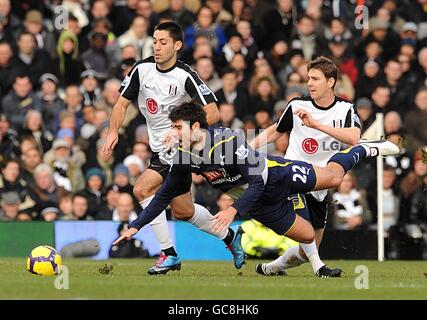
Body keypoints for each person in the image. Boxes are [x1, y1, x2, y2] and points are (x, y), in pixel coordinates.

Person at [113, 103, 399, 277]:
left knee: (334, 178)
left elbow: (259, 181)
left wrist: (234, 210)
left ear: (195, 126)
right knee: (307, 234)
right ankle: (274, 268)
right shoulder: (184, 156)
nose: (172, 132)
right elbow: (164, 194)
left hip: (276, 175)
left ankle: (364, 148)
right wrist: (136, 225)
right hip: (259, 203)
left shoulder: (226, 141)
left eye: (177, 126)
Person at [102, 21, 249, 276]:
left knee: (142, 188)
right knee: (184, 211)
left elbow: (213, 112)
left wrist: (182, 129)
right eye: (155, 41)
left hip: (183, 150)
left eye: (163, 42)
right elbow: (121, 104)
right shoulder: (141, 69)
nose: (157, 47)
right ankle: (230, 236)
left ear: (177, 45)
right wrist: (113, 130)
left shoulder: (186, 75)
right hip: (160, 150)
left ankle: (169, 255)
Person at [250, 56, 362, 276]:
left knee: (307, 249)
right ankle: (320, 269)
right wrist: (247, 148)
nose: (309, 83)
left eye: (315, 79)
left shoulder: (345, 109)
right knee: (306, 232)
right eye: (308, 78)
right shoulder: (296, 105)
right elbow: (275, 130)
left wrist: (317, 125)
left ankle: (271, 267)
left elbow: (354, 138)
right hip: (294, 175)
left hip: (322, 182)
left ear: (330, 82)